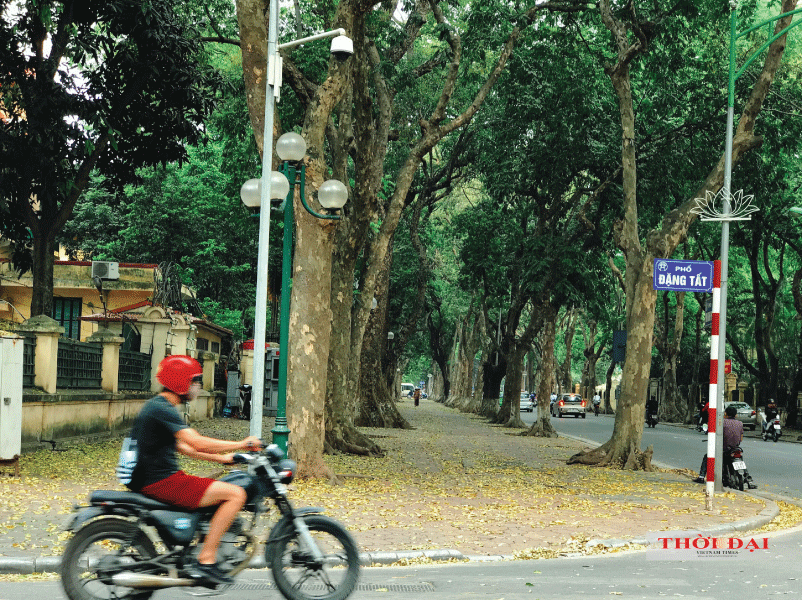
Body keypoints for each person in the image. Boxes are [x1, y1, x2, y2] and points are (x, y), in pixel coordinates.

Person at [126, 355, 263, 587]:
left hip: (155, 479)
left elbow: (183, 447)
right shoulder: (162, 408)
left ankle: (201, 545)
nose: (198, 387)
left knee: (217, 492)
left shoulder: (159, 406)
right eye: (194, 381)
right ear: (181, 383)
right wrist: (242, 444)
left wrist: (222, 459)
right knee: (235, 494)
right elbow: (197, 442)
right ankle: (206, 559)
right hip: (161, 482)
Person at [694, 404, 756, 489]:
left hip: (724, 449)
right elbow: (741, 438)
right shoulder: (740, 423)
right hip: (735, 449)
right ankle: (749, 480)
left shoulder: (721, 422)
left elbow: (717, 435)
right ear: (736, 415)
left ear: (725, 414)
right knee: (741, 461)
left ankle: (701, 477)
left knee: (707, 457)